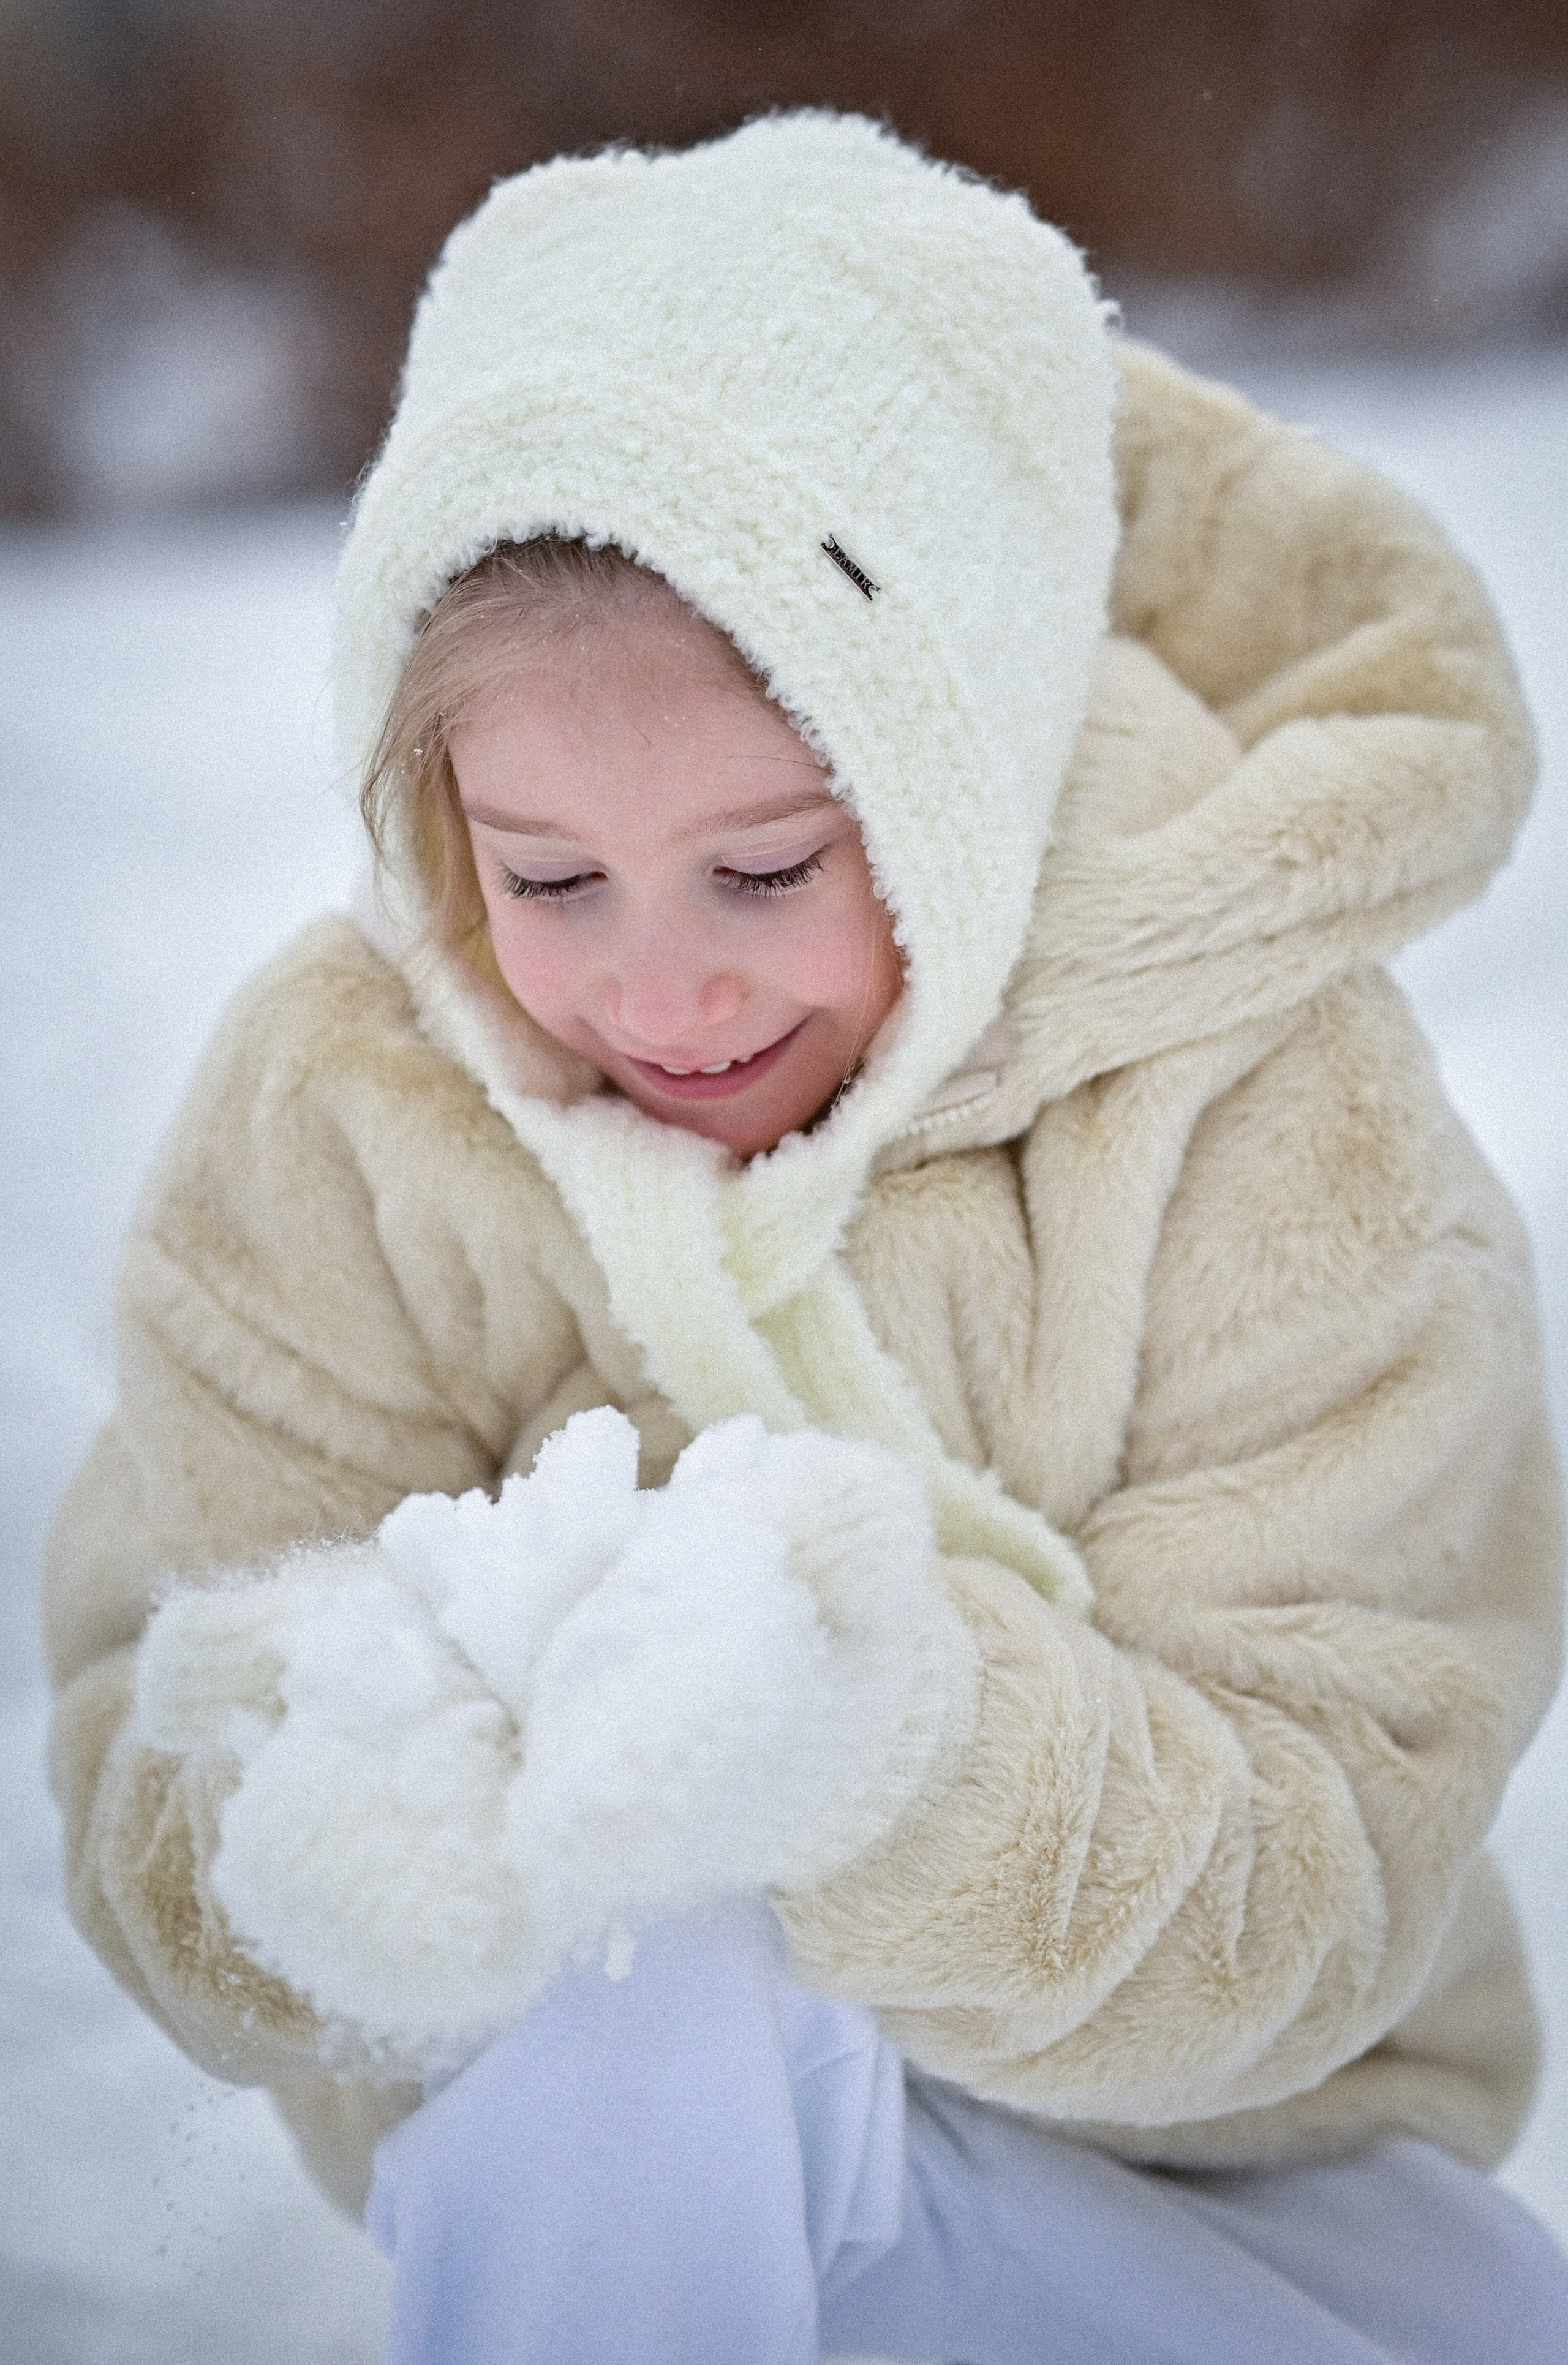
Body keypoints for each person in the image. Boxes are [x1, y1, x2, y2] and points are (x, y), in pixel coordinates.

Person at [43, 111, 1568, 2364]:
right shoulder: (344, 1111)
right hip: (624, 2196)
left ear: (961, 762)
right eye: (548, 878)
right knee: (644, 1959)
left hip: (1240, 2185)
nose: (662, 994)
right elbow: (147, 1727)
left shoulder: (1266, 1096)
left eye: (765, 869)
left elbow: (1340, 1842)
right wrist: (319, 1823)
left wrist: (891, 1752)